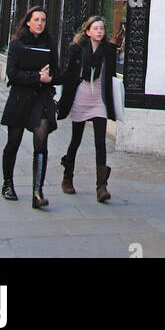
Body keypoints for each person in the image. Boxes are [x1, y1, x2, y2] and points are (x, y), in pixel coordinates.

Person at [0, 7, 60, 209]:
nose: (40, 23)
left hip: (41, 98)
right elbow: (12, 73)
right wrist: (36, 77)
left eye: (43, 20)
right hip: (20, 97)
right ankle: (7, 184)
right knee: (13, 142)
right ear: (28, 22)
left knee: (41, 141)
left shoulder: (50, 44)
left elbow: (58, 71)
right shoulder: (17, 45)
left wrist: (51, 78)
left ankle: (37, 191)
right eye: (36, 19)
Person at [57, 15, 117, 202]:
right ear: (88, 31)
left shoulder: (108, 50)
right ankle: (68, 176)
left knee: (100, 141)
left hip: (99, 99)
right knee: (76, 139)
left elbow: (112, 75)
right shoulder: (77, 49)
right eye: (96, 28)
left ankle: (101, 187)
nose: (100, 31)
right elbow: (69, 74)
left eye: (102, 28)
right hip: (81, 96)